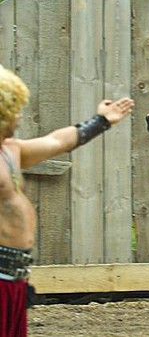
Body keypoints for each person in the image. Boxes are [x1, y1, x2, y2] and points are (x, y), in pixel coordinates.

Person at [0, 65, 134, 337]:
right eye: (15, 109)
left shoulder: (11, 150)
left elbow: (55, 142)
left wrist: (101, 121)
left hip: (14, 276)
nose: (20, 115)